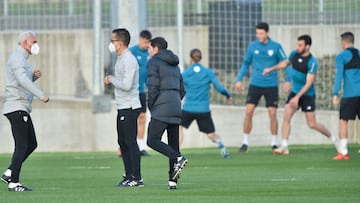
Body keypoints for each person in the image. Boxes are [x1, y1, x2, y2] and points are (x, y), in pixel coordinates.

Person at [262, 35, 337, 155]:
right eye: (297, 45)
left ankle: (333, 138)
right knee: (287, 116)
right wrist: (270, 69)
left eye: (300, 45)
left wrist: (297, 98)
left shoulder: (312, 62)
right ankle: (284, 146)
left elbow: (308, 83)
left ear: (307, 47)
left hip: (307, 94)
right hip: (294, 92)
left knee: (312, 123)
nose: (298, 47)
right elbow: (285, 63)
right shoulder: (294, 54)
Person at [1, 31, 50, 192]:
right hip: (16, 107)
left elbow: (22, 79)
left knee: (31, 144)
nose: (36, 45)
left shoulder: (23, 59)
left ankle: (9, 172)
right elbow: (22, 80)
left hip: (21, 108)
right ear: (24, 42)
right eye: (33, 42)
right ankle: (14, 183)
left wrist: (33, 77)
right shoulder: (17, 58)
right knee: (22, 145)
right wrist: (41, 94)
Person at [235, 22, 291, 153]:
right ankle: (245, 142)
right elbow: (246, 63)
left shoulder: (276, 47)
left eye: (261, 33)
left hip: (271, 85)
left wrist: (288, 80)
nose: (259, 36)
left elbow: (286, 62)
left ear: (267, 33)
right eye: (257, 33)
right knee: (249, 111)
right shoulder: (252, 46)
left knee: (272, 113)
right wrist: (239, 80)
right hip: (255, 84)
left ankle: (274, 143)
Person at [146, 37, 187, 190]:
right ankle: (173, 181)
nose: (149, 51)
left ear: (156, 48)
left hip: (161, 106)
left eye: (150, 48)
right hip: (176, 105)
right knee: (173, 144)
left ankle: (178, 158)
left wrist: (151, 105)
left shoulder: (154, 62)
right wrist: (175, 100)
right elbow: (183, 89)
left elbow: (153, 87)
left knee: (152, 140)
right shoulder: (175, 65)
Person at [104, 28, 143, 187]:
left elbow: (127, 85)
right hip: (122, 106)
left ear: (120, 42)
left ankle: (136, 177)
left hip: (130, 106)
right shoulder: (120, 58)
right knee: (122, 141)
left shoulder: (129, 59)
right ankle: (129, 175)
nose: (111, 43)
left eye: (113, 40)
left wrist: (111, 79)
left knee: (130, 142)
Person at [180, 48, 232, 158]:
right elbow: (219, 87)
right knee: (211, 134)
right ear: (200, 58)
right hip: (203, 109)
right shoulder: (207, 72)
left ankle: (176, 152)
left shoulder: (186, 73)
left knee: (178, 126)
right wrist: (228, 95)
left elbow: (177, 86)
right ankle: (221, 145)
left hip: (189, 108)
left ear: (191, 59)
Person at [332, 32, 360, 160]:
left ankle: (343, 152)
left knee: (344, 121)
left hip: (350, 94)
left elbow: (339, 76)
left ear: (344, 42)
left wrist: (335, 94)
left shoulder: (341, 56)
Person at [129, 30, 152, 156]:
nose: (146, 44)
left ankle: (140, 146)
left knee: (143, 117)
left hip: (143, 91)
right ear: (140, 40)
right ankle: (125, 147)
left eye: (148, 42)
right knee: (130, 119)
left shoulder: (150, 53)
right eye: (145, 42)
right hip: (132, 91)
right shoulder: (132, 52)